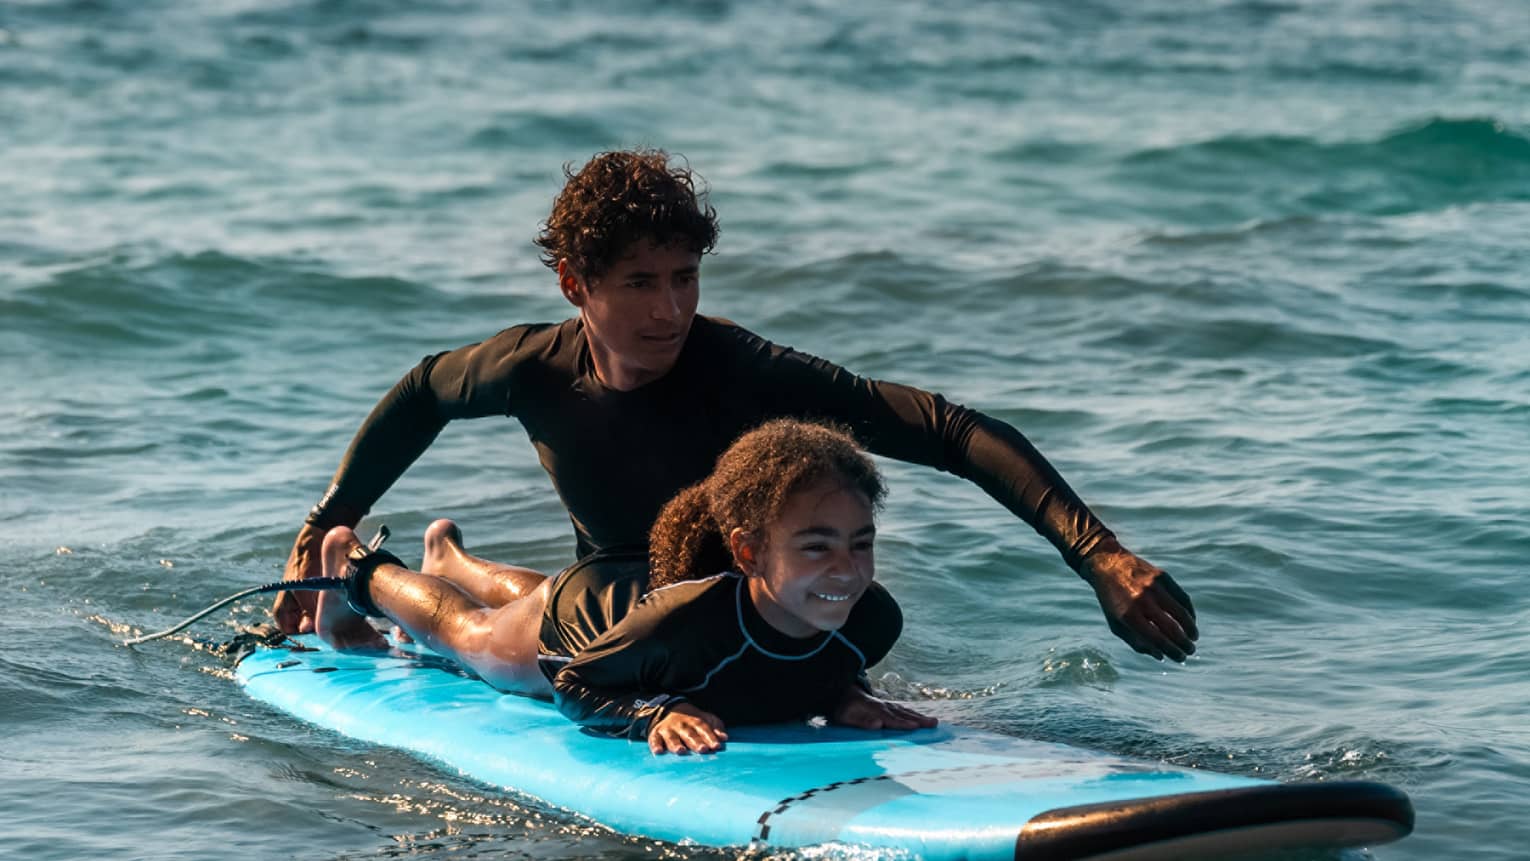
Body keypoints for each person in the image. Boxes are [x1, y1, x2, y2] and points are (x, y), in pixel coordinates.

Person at [275, 148, 1198, 665]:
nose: (671, 310)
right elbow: (421, 393)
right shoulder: (532, 368)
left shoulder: (742, 369)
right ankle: (363, 571)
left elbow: (948, 430)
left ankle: (453, 558)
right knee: (488, 648)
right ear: (575, 285)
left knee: (593, 601)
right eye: (640, 283)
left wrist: (1098, 555)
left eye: (685, 277)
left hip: (690, 595)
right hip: (611, 595)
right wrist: (329, 516)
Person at [313, 420, 938, 754]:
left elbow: (817, 659)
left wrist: (846, 693)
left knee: (529, 599)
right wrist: (653, 710)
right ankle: (356, 568)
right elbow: (575, 683)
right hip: (578, 628)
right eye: (817, 547)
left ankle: (448, 559)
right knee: (469, 635)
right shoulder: (687, 625)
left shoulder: (872, 618)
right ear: (749, 553)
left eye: (861, 543)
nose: (847, 570)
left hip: (630, 599)